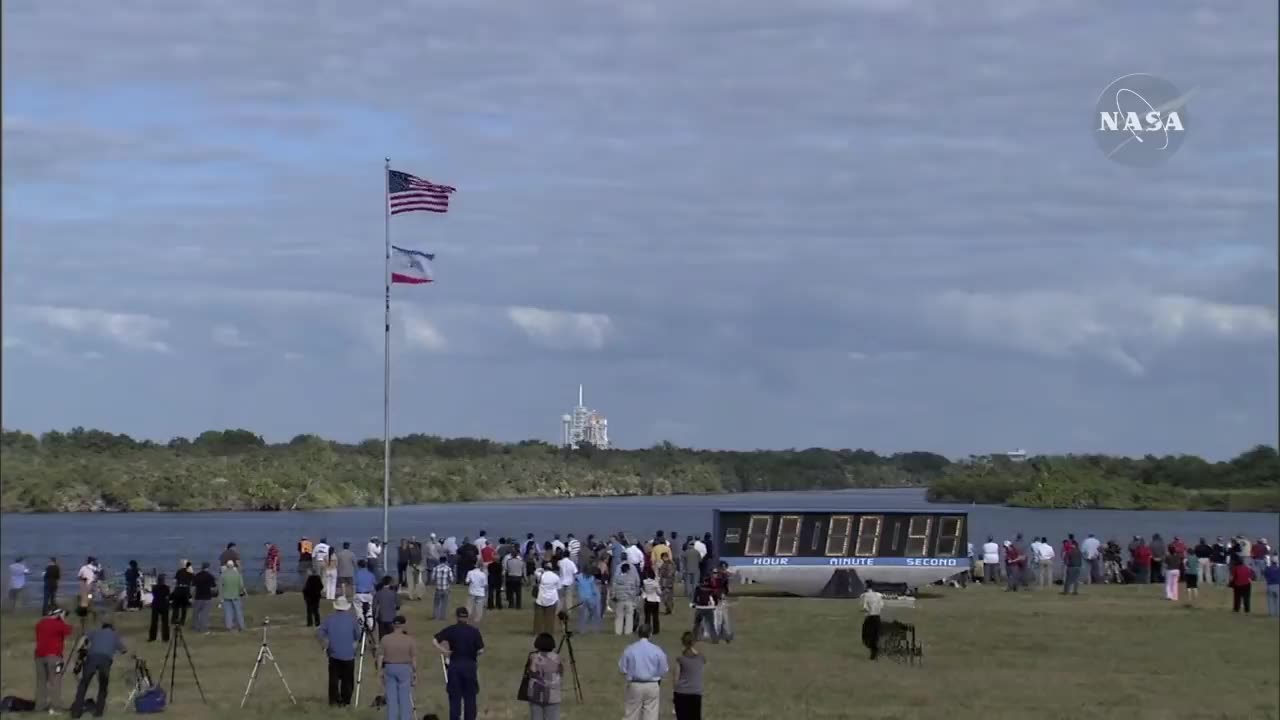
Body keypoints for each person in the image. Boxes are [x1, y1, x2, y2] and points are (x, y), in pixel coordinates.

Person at [69, 619, 129, 719]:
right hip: (105, 661)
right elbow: (124, 650)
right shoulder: (114, 635)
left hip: (92, 658)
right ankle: (99, 711)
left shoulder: (95, 632)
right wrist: (114, 650)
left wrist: (79, 649)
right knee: (103, 686)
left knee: (83, 685)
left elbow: (84, 637)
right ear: (112, 628)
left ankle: (76, 712)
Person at [434, 607, 485, 720]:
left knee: (455, 697)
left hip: (455, 665)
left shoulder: (451, 630)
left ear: (457, 617)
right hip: (470, 665)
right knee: (470, 697)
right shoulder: (474, 631)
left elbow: (435, 640)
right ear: (467, 617)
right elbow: (481, 650)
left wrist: (445, 651)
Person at [618, 624, 668, 720]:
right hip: (652, 684)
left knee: (631, 714)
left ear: (638, 634)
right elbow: (664, 669)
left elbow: (623, 668)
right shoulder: (656, 650)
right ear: (650, 634)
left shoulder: (630, 649)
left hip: (635, 684)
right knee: (651, 714)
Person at [318, 596, 361, 706]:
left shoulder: (329, 619)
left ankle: (333, 700)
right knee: (348, 679)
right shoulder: (352, 619)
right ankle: (345, 700)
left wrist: (325, 644)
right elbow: (358, 635)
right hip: (348, 655)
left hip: (334, 653)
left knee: (334, 678)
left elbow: (320, 632)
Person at [34, 607, 73, 713]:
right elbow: (69, 630)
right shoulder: (58, 624)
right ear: (57, 614)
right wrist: (63, 619)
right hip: (54, 657)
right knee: (55, 681)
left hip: (39, 656)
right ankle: (56, 707)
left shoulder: (40, 624)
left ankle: (39, 706)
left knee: (41, 682)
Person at [377, 615, 417, 720]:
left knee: (391, 698)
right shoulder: (409, 640)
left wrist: (380, 671)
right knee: (404, 698)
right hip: (404, 668)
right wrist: (414, 672)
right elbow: (413, 658)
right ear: (403, 625)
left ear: (393, 625)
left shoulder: (385, 639)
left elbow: (380, 657)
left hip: (389, 668)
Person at [524, 632, 564, 720]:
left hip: (535, 694)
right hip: (553, 695)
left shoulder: (533, 657)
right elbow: (561, 673)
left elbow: (530, 672)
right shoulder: (557, 658)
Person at [672, 630, 705, 720]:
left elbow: (676, 679)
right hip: (695, 693)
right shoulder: (701, 658)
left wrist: (674, 693)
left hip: (681, 693)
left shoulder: (680, 659)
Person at [533, 562, 561, 636]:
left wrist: (540, 569)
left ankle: (537, 631)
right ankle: (549, 632)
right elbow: (559, 587)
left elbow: (535, 571)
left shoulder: (541, 575)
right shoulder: (556, 577)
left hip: (541, 598)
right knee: (550, 617)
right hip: (552, 599)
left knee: (538, 617)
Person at [613, 563, 641, 636]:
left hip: (619, 599)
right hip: (629, 599)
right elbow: (633, 589)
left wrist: (614, 596)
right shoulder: (630, 579)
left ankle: (618, 631)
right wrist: (633, 596)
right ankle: (628, 631)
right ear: (628, 570)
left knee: (619, 616)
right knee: (629, 616)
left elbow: (614, 589)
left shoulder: (616, 579)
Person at [191, 562, 217, 634]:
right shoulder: (210, 576)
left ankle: (195, 628)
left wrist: (191, 596)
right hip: (207, 597)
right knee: (204, 614)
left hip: (198, 597)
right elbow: (213, 588)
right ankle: (203, 629)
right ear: (208, 567)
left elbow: (193, 587)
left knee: (196, 613)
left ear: (202, 567)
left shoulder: (197, 575)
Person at [220, 560, 246, 631]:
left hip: (226, 596)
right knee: (238, 612)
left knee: (228, 612)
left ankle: (229, 626)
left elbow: (221, 586)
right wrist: (241, 592)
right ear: (233, 566)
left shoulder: (223, 574)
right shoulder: (237, 574)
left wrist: (221, 597)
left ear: (227, 566)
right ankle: (241, 626)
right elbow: (241, 585)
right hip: (235, 595)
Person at [861, 586, 884, 660]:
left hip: (870, 617)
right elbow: (881, 605)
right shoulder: (879, 595)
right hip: (877, 617)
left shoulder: (866, 595)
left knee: (867, 634)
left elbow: (865, 608)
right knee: (875, 635)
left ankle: (873, 650)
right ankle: (875, 650)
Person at [148, 574, 171, 643]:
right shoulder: (167, 588)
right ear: (163, 580)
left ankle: (152, 637)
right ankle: (165, 638)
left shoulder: (154, 587)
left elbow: (153, 594)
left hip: (156, 604)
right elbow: (168, 595)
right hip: (164, 604)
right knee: (165, 622)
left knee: (154, 622)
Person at [432, 555, 455, 621]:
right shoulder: (448, 569)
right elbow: (451, 579)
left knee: (436, 603)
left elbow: (433, 578)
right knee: (444, 603)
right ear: (445, 561)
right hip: (445, 588)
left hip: (438, 588)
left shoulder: (435, 568)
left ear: (439, 561)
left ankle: (435, 616)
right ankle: (442, 616)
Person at [171, 561, 193, 627]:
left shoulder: (179, 571)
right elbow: (192, 582)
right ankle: (182, 621)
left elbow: (174, 581)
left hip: (178, 589)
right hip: (185, 590)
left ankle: (174, 619)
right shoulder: (190, 573)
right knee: (184, 607)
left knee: (176, 606)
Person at [641, 567, 662, 635]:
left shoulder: (644, 582)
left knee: (647, 617)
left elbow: (643, 589)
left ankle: (647, 630)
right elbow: (659, 592)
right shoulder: (655, 583)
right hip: (655, 600)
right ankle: (656, 630)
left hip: (647, 599)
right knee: (655, 616)